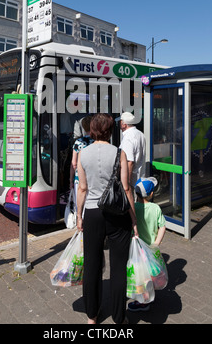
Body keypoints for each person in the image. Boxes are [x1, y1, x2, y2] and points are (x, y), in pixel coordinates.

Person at [76, 113, 138, 325]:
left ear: (92, 130)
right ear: (110, 131)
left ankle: (92, 316)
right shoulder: (118, 153)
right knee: (118, 267)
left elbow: (82, 188)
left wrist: (79, 216)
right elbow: (126, 188)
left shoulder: (83, 153)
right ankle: (120, 317)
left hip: (92, 214)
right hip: (116, 214)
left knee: (92, 264)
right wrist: (134, 219)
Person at [127, 177, 166, 312]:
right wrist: (156, 243)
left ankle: (143, 302)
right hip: (150, 248)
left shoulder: (132, 209)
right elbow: (162, 227)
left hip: (137, 250)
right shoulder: (155, 208)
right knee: (151, 274)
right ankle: (150, 296)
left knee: (140, 276)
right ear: (151, 194)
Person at [118, 112, 146, 193]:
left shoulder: (128, 138)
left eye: (120, 122)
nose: (119, 123)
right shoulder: (140, 134)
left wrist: (126, 183)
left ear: (124, 124)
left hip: (132, 182)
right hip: (139, 178)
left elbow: (129, 162)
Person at [69, 115, 94, 207]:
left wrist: (71, 180)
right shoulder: (98, 141)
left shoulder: (79, 142)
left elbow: (74, 164)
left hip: (79, 179)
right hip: (94, 179)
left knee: (80, 205)